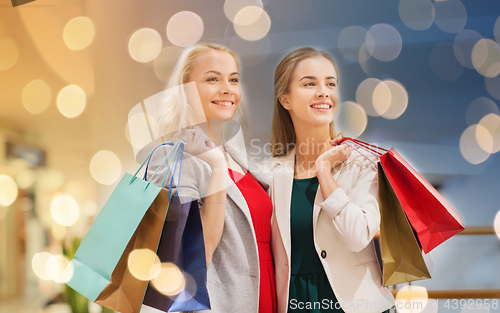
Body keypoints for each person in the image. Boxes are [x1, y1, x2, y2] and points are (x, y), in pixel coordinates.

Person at [146, 42, 276, 313]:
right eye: (213, 79)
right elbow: (193, 258)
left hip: (265, 297)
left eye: (233, 79)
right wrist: (217, 169)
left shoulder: (239, 158)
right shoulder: (172, 160)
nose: (227, 88)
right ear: (184, 89)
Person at [268, 47, 395, 313]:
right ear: (285, 100)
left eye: (330, 83)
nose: (323, 91)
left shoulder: (363, 163)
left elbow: (358, 236)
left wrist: (323, 170)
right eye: (309, 83)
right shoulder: (271, 174)